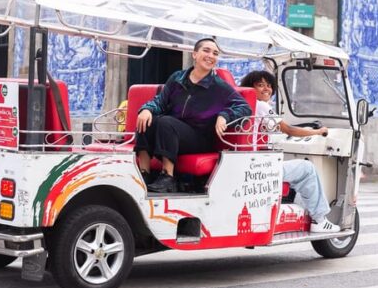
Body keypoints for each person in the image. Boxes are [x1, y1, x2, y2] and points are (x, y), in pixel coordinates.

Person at [135, 38, 252, 193]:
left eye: (215, 53)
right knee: (146, 119)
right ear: (195, 54)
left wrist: (225, 115)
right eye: (206, 50)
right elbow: (160, 102)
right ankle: (144, 173)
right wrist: (146, 109)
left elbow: (244, 107)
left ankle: (167, 176)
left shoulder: (219, 86)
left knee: (166, 122)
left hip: (200, 138)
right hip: (171, 135)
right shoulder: (177, 78)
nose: (211, 55)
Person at [240, 70, 340, 234]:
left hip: (249, 162)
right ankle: (319, 219)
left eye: (269, 85)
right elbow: (288, 130)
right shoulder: (262, 106)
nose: (267, 89)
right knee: (307, 169)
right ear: (250, 89)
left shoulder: (244, 106)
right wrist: (316, 132)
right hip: (259, 167)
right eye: (260, 85)